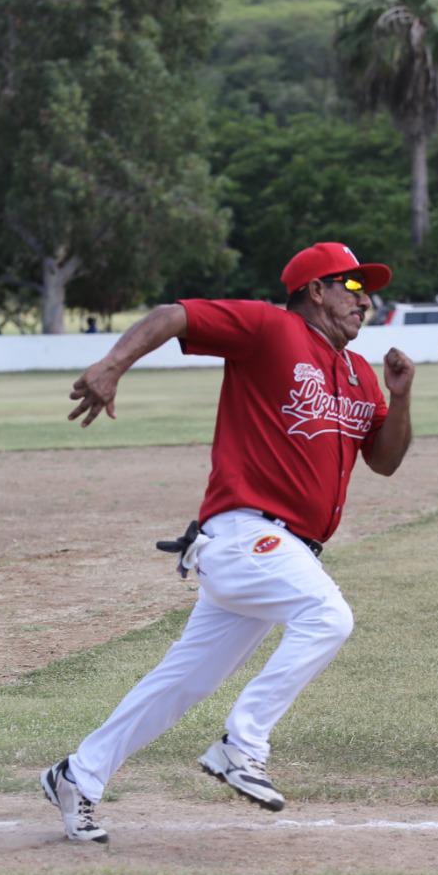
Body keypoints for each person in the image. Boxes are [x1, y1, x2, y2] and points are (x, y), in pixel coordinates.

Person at [40, 241, 415, 842]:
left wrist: (399, 396)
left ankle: (77, 776)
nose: (365, 300)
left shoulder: (358, 372)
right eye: (350, 286)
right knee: (328, 616)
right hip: (248, 534)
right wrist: (113, 364)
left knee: (180, 683)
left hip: (280, 552)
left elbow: (387, 462)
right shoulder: (272, 330)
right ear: (313, 290)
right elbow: (174, 315)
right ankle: (243, 745)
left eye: (366, 290)